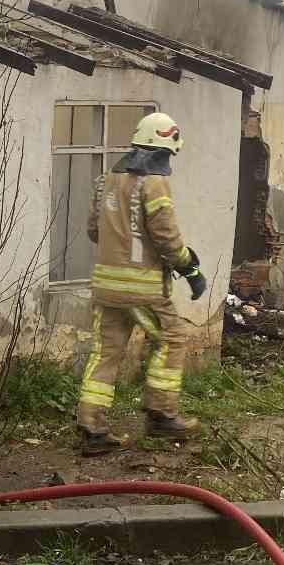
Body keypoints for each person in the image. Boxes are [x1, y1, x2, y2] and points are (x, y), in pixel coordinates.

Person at [75, 112, 210, 455]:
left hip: (106, 284)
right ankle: (161, 415)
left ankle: (92, 428)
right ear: (163, 149)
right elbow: (165, 236)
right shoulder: (154, 183)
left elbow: (93, 230)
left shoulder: (106, 179)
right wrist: (189, 266)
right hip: (142, 288)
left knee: (105, 352)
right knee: (172, 337)